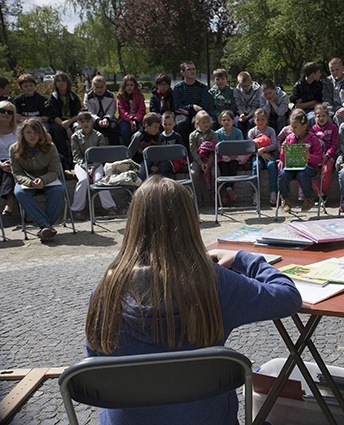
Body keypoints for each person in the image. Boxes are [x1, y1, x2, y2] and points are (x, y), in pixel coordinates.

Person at [85, 175, 302, 425]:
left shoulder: (106, 290)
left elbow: (96, 362)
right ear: (189, 221)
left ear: (133, 223)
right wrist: (243, 258)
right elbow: (287, 296)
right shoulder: (213, 282)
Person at [9, 119, 66, 241]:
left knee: (59, 190)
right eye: (28, 132)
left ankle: (46, 227)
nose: (32, 135)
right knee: (19, 192)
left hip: (48, 179)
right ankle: (46, 225)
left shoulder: (50, 147)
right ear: (23, 134)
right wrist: (29, 182)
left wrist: (43, 180)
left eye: (36, 132)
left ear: (41, 133)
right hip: (27, 181)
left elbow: (55, 171)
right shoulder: (14, 149)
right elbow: (17, 173)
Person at [70, 111, 118, 221]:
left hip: (97, 163)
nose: (85, 124)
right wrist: (86, 167)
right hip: (81, 164)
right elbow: (76, 156)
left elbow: (101, 155)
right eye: (82, 122)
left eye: (87, 121)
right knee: (83, 180)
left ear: (92, 122)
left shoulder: (99, 136)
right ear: (78, 123)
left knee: (99, 180)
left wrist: (93, 167)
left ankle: (110, 207)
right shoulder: (75, 137)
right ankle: (77, 209)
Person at [279, 109, 323, 212]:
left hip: (308, 168)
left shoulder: (313, 139)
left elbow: (319, 159)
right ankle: (284, 199)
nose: (292, 129)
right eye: (291, 127)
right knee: (283, 174)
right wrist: (283, 151)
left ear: (304, 126)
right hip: (292, 167)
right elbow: (282, 159)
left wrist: (309, 156)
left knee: (302, 174)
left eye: (295, 127)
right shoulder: (289, 138)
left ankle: (308, 198)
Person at [173, 60, 215, 148]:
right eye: (189, 69)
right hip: (183, 115)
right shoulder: (178, 88)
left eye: (194, 69)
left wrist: (189, 110)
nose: (192, 71)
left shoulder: (202, 87)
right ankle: (184, 152)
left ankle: (201, 151)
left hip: (198, 114)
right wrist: (192, 107)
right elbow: (177, 107)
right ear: (182, 72)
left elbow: (203, 107)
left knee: (198, 123)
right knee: (182, 124)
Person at [48, 71, 81, 171]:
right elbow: (53, 115)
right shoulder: (53, 97)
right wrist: (65, 126)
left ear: (67, 83)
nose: (61, 83)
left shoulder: (73, 96)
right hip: (59, 122)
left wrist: (69, 123)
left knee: (79, 129)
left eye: (63, 81)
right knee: (56, 130)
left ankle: (78, 158)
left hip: (72, 120)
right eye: (58, 81)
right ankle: (64, 161)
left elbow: (78, 113)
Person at [248, 108, 278, 205]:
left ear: (267, 120)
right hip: (256, 155)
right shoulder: (252, 132)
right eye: (258, 119)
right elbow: (249, 146)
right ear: (254, 120)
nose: (260, 122)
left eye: (263, 119)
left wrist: (264, 149)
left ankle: (273, 192)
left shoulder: (270, 131)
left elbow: (274, 144)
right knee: (256, 165)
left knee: (272, 165)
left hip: (269, 154)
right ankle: (255, 193)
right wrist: (259, 153)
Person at [216, 110, 246, 203]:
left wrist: (235, 154)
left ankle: (228, 191)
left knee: (233, 167)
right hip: (223, 157)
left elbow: (241, 145)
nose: (226, 122)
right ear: (221, 121)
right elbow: (218, 147)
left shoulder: (238, 132)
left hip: (235, 157)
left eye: (228, 120)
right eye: (224, 120)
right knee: (224, 168)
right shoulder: (217, 133)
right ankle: (229, 190)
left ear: (233, 121)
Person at [189, 110, 219, 206]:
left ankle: (214, 193)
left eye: (208, 122)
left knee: (215, 172)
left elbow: (214, 150)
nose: (206, 124)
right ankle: (198, 194)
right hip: (197, 160)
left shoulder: (213, 134)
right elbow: (193, 151)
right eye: (204, 122)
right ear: (197, 123)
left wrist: (208, 164)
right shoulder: (193, 135)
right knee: (194, 173)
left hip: (211, 160)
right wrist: (201, 163)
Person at [311, 104, 339, 202]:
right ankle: (319, 193)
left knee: (327, 171)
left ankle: (323, 193)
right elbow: (312, 145)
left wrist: (327, 155)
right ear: (315, 117)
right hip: (316, 156)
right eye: (318, 116)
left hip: (328, 156)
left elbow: (334, 145)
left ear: (327, 116)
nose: (321, 118)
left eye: (323, 116)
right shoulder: (313, 129)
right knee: (309, 171)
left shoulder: (333, 128)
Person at [84, 75, 120, 145]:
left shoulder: (111, 96)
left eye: (101, 87)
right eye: (97, 87)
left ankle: (115, 149)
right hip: (94, 120)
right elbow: (90, 111)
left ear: (105, 86)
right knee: (93, 128)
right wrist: (98, 120)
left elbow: (112, 110)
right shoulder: (88, 97)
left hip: (108, 119)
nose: (99, 90)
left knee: (113, 127)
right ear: (93, 87)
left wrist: (106, 119)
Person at [127, 112, 163, 180]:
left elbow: (158, 151)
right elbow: (131, 151)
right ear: (146, 126)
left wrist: (156, 165)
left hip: (150, 160)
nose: (157, 129)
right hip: (137, 160)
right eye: (155, 127)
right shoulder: (138, 136)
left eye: (158, 127)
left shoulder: (157, 136)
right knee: (142, 169)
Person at [116, 75, 146, 147]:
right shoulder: (121, 96)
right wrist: (130, 119)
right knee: (125, 130)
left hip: (138, 118)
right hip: (125, 119)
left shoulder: (139, 96)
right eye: (127, 85)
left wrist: (135, 120)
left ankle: (139, 148)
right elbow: (121, 110)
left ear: (135, 86)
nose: (129, 87)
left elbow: (141, 109)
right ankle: (128, 148)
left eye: (131, 85)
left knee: (141, 130)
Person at [0, 101, 17, 217]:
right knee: (6, 171)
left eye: (10, 112)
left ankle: (10, 203)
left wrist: (13, 162)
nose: (6, 113)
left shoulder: (18, 131)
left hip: (16, 162)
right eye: (2, 111)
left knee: (11, 171)